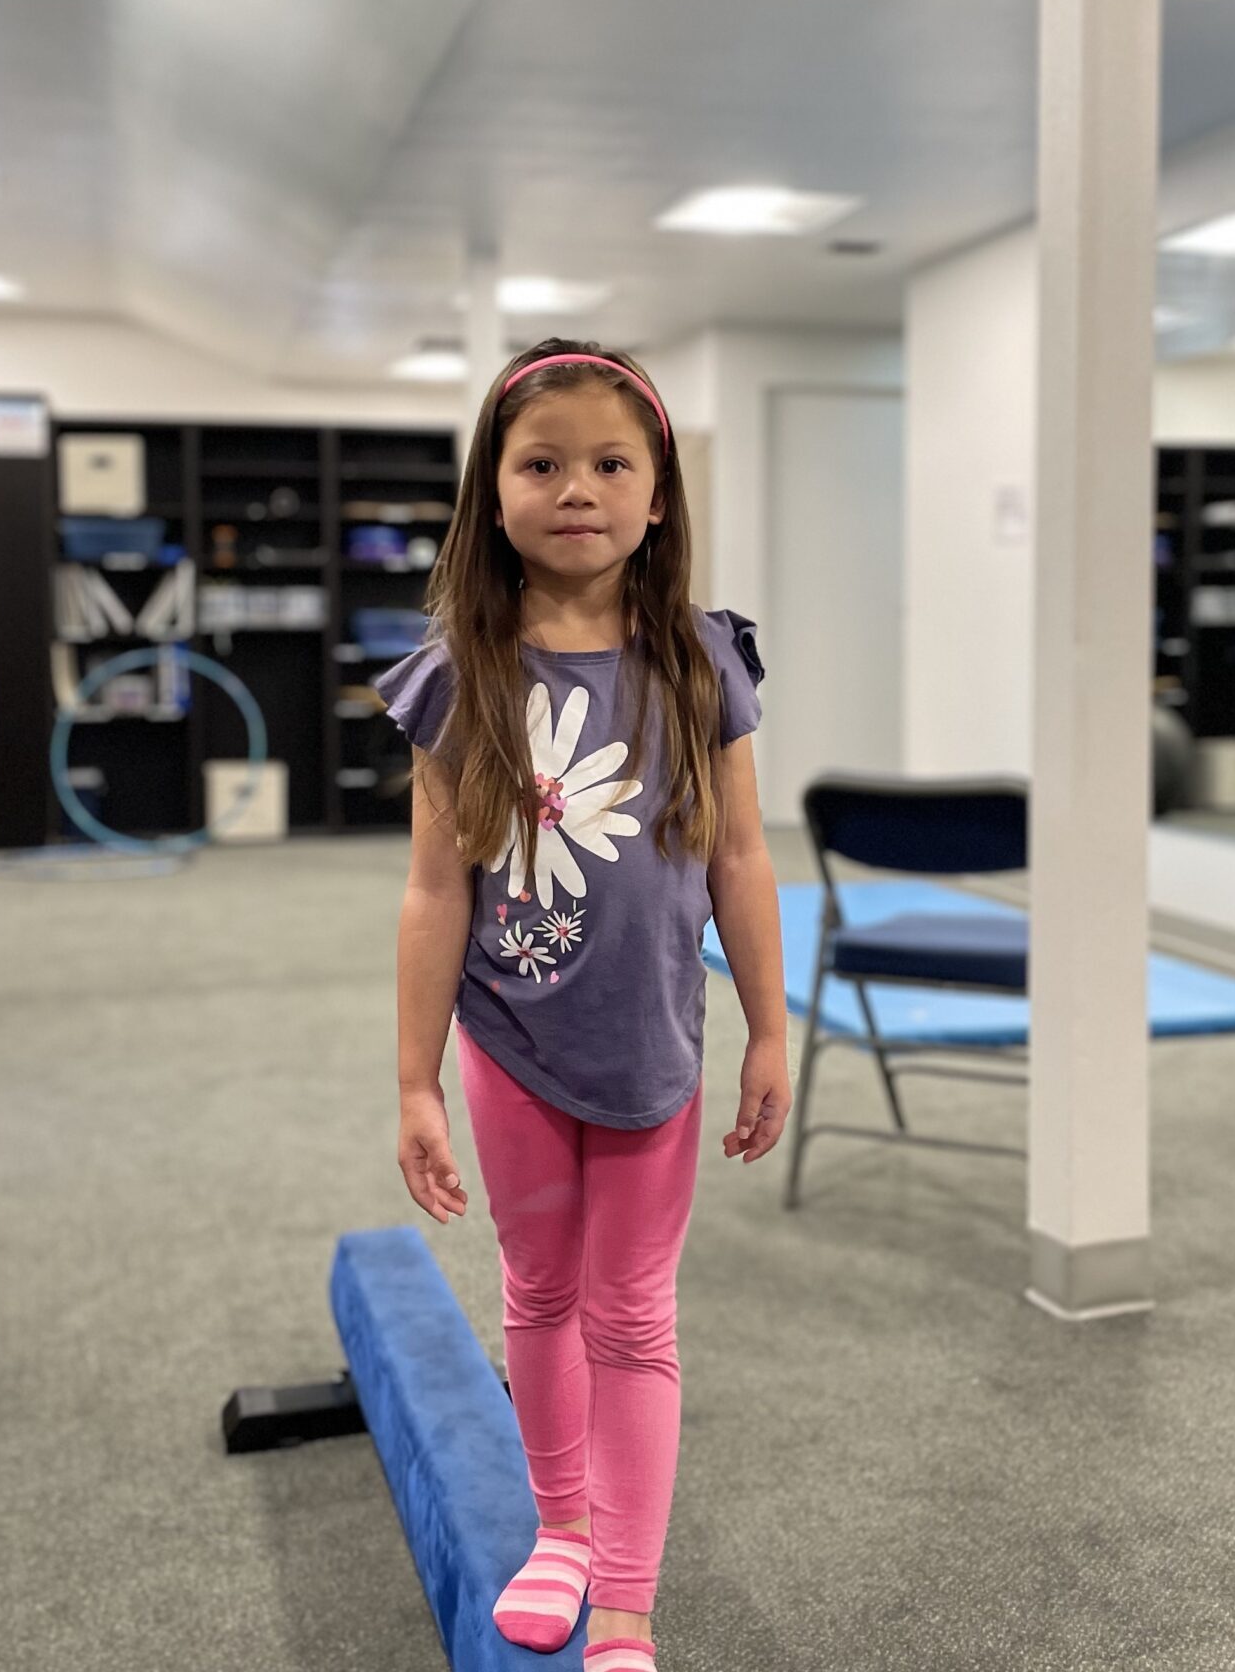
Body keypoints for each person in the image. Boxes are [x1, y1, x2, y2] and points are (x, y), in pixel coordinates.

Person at [377, 339, 789, 1669]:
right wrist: (414, 1078)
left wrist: (773, 1031)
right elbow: (436, 890)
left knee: (635, 1317)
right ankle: (560, 1531)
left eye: (613, 464)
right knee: (540, 1293)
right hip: (511, 1045)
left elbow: (741, 857)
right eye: (542, 462)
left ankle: (627, 1595)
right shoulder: (464, 673)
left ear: (660, 494)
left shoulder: (698, 661)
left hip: (652, 1051)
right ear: (491, 492)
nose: (578, 489)